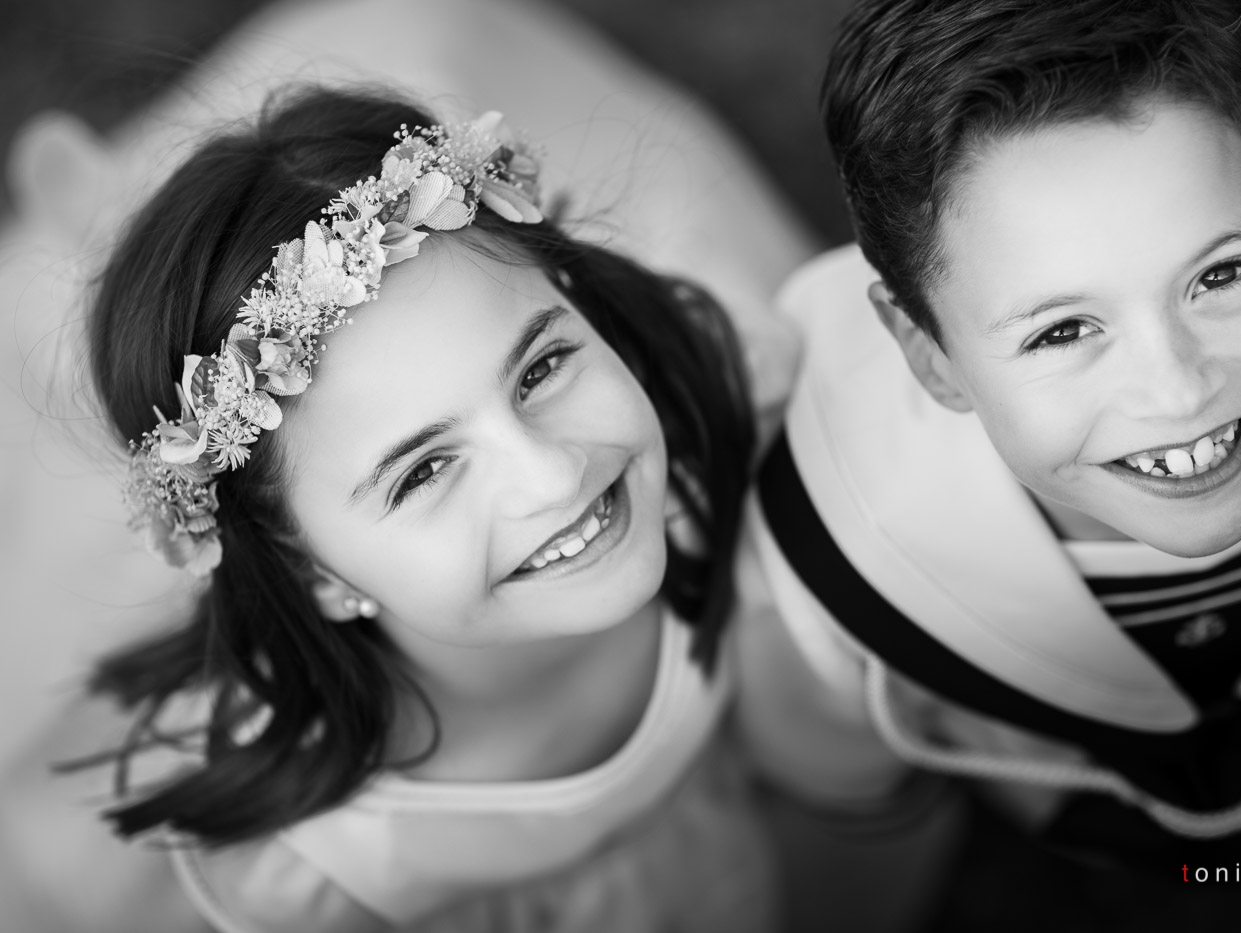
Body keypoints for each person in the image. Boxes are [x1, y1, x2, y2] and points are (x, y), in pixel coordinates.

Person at [13, 84, 772, 933]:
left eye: (541, 369)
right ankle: (96, 219)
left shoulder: (726, 435)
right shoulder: (316, 880)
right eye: (424, 471)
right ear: (315, 573)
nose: (555, 477)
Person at [736, 0, 1241, 926]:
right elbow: (834, 757)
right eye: (1063, 330)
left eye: (1222, 274)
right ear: (929, 353)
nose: (1179, 393)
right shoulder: (831, 543)